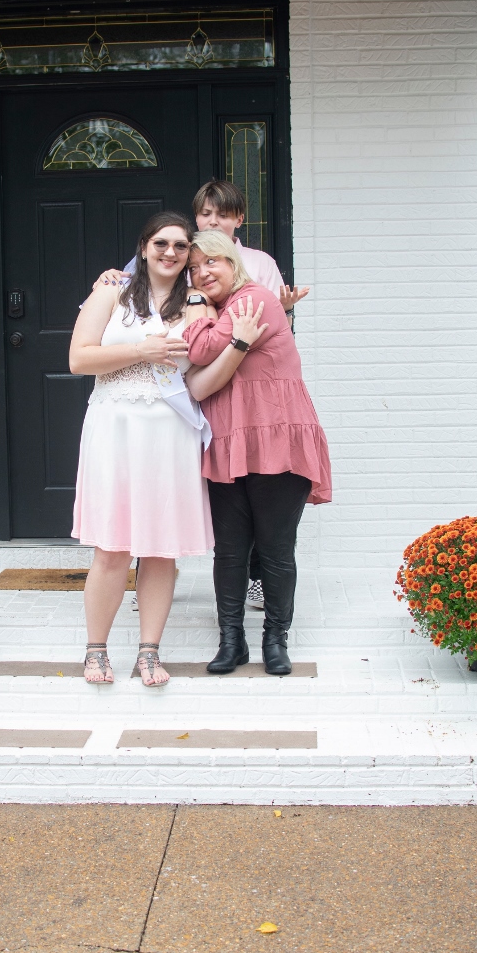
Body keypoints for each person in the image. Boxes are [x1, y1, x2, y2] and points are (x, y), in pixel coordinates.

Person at [69, 213, 265, 687]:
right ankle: (96, 650)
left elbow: (204, 365)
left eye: (181, 247)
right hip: (115, 427)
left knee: (160, 550)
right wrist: (142, 351)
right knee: (112, 547)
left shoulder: (196, 303)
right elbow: (79, 358)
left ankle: (149, 652)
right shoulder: (112, 292)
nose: (171, 253)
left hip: (170, 433)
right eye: (161, 243)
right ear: (143, 246)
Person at [96, 179, 310, 610]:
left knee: (257, 504)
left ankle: (253, 586)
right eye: (206, 213)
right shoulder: (178, 255)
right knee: (158, 495)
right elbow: (134, 285)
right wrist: (110, 279)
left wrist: (276, 311)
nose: (214, 220)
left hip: (244, 390)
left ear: (239, 220)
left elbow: (258, 317)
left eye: (223, 213)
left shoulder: (258, 264)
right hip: (199, 396)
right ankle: (151, 575)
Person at [182, 231, 332, 676]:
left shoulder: (256, 298)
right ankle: (232, 641)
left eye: (212, 262)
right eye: (193, 268)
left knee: (276, 551)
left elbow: (201, 348)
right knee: (229, 551)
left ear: (232, 261)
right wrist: (206, 309)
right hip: (230, 441)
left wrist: (195, 305)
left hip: (277, 439)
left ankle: (275, 640)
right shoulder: (225, 310)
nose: (202, 272)